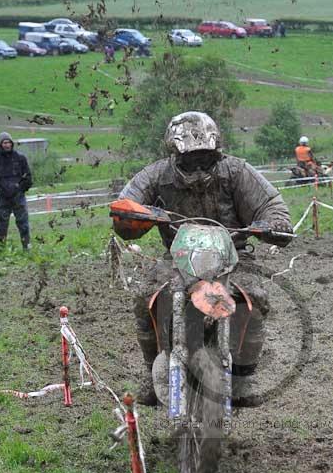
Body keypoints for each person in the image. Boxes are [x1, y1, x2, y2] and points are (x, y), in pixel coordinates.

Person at [118, 111, 293, 406]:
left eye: (205, 158)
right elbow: (128, 201)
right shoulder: (156, 175)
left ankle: (245, 374)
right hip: (178, 260)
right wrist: (130, 215)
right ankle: (152, 373)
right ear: (175, 153)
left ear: (216, 151)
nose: (198, 167)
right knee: (144, 297)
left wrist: (274, 223)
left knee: (255, 297)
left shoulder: (237, 171)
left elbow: (270, 203)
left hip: (235, 257)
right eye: (191, 160)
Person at [0, 132, 32, 251]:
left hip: (18, 196)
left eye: (9, 142)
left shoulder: (20, 158)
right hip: (2, 198)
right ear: (0, 144)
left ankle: (27, 248)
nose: (7, 145)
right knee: (1, 225)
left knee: (23, 224)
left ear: (12, 143)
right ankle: (1, 250)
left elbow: (28, 176)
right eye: (4, 142)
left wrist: (21, 189)